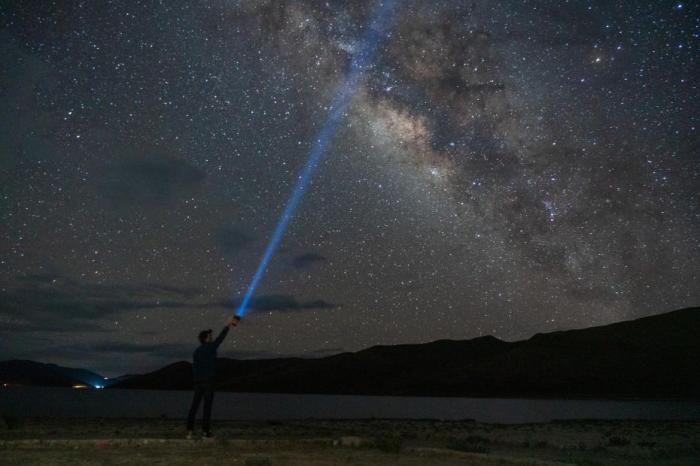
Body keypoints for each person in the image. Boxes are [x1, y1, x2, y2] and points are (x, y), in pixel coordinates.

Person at [186, 315, 240, 439]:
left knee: (194, 406)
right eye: (210, 336)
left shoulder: (196, 352)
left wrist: (196, 380)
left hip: (198, 382)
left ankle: (189, 431)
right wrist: (228, 325)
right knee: (207, 407)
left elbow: (194, 368)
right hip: (208, 382)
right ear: (205, 339)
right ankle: (205, 432)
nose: (212, 338)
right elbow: (221, 338)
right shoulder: (211, 347)